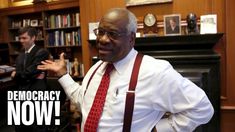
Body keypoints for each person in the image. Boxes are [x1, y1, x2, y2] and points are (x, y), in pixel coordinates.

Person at [38, 8, 214, 132]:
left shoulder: (155, 72)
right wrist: (62, 74)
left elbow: (202, 108)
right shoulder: (96, 69)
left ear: (131, 39)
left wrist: (158, 129)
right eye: (100, 32)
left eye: (113, 34)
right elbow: (83, 101)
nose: (103, 39)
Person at [11, 26, 49, 132]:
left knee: (38, 127)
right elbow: (26, 75)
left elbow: (28, 73)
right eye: (20, 38)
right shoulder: (20, 56)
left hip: (36, 95)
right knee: (20, 127)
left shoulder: (42, 52)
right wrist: (25, 75)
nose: (21, 41)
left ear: (33, 38)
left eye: (24, 38)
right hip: (21, 95)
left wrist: (17, 74)